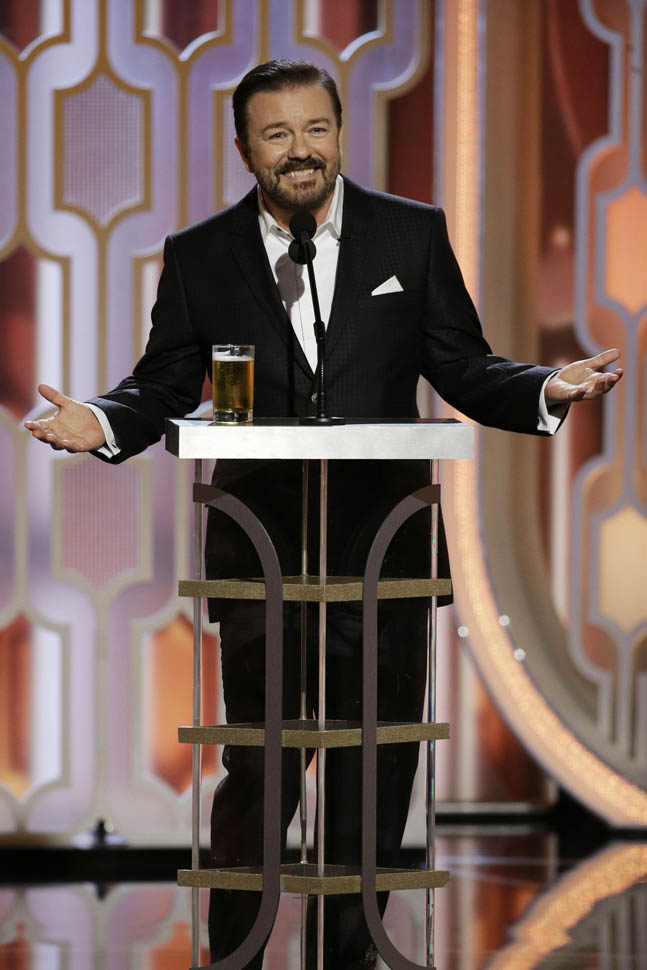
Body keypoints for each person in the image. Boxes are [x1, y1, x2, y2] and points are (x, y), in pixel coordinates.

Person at [25, 60, 622, 969]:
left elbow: (461, 364)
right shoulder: (202, 253)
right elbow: (165, 380)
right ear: (245, 149)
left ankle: (351, 958)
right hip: (260, 547)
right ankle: (237, 955)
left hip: (383, 546)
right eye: (277, 134)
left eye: (315, 129)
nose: (300, 150)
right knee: (260, 767)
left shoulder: (409, 234)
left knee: (374, 770)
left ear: (340, 134)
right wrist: (102, 422)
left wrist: (543, 387)